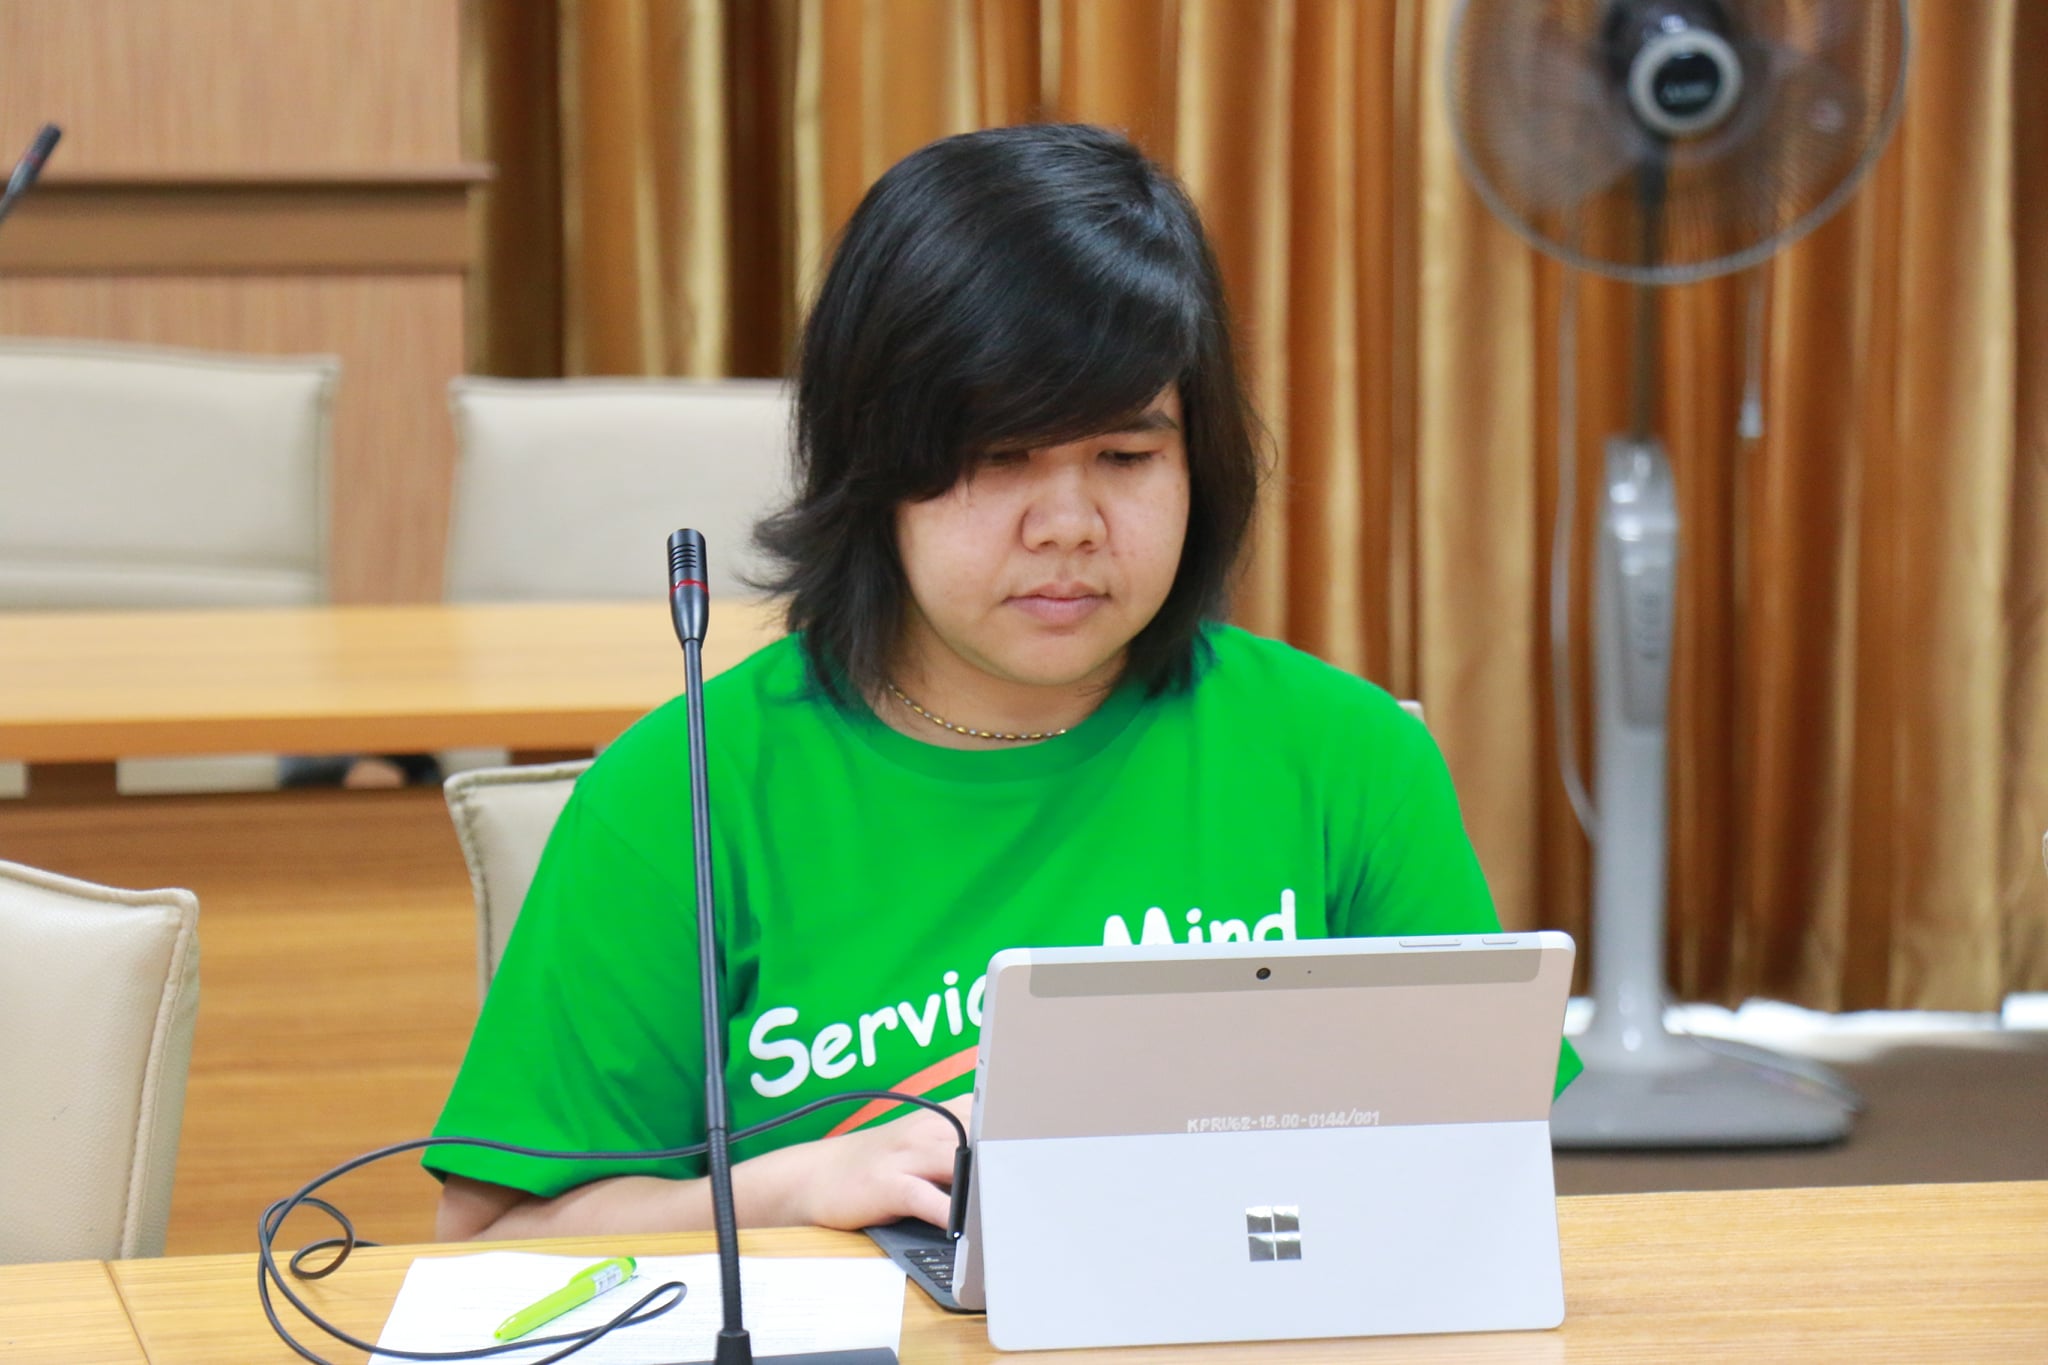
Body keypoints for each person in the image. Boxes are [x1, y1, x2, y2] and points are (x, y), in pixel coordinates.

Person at [427, 122, 1580, 1241]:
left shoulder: (1346, 755)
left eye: (1125, 456)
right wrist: (799, 1188)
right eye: (999, 458)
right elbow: (495, 1236)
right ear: (875, 463)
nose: (1068, 524)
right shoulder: (678, 793)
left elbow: (1481, 1161)